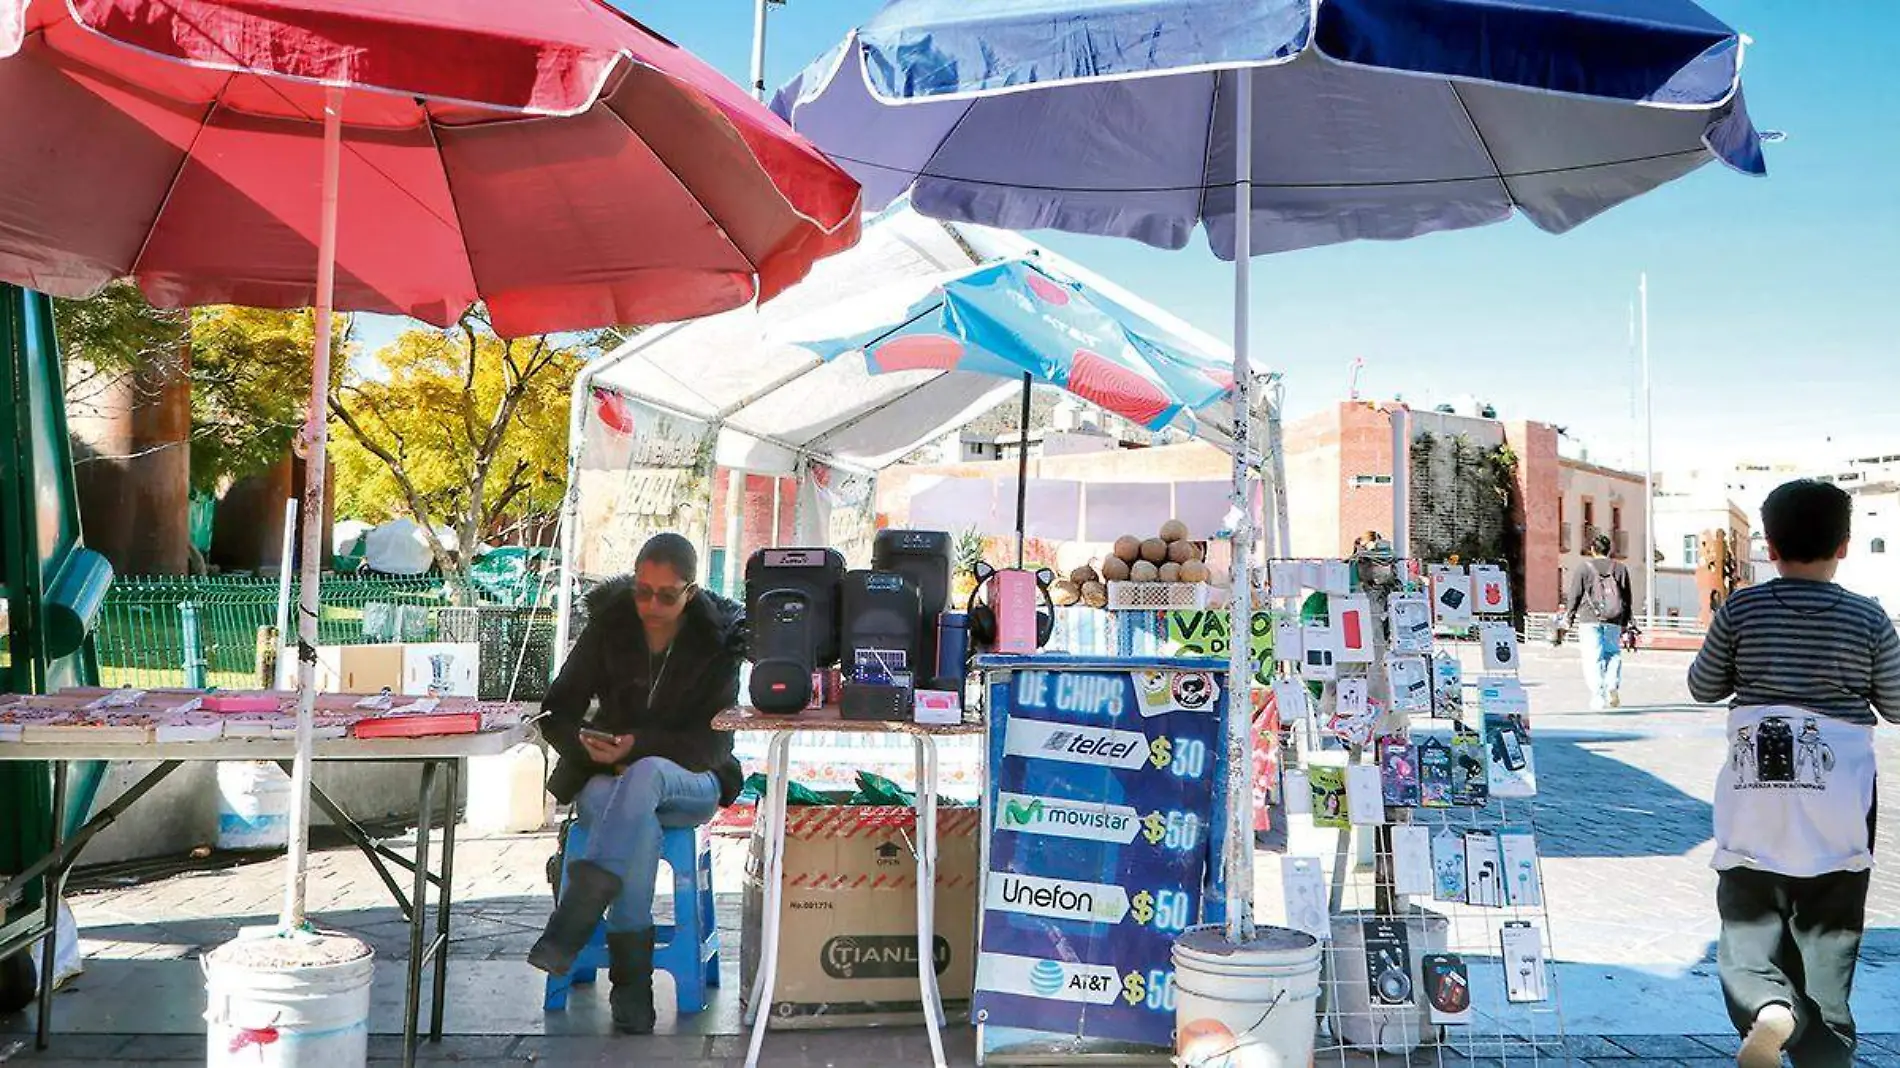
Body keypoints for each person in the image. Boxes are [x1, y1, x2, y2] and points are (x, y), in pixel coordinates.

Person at [1688, 480, 1900, 1068]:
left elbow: (1703, 687)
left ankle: (1766, 1006)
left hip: (1755, 792)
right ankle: (1824, 1041)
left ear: (1770, 547)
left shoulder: (1742, 607)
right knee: (1830, 930)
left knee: (1748, 916)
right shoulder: (1868, 617)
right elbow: (1898, 703)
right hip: (1839, 795)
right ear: (1845, 546)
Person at [528, 533, 745, 1034]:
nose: (651, 604)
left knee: (643, 777)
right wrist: (587, 743)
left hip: (694, 781)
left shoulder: (718, 640)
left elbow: (714, 743)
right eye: (642, 591)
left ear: (690, 593)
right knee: (628, 814)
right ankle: (632, 986)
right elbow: (556, 710)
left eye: (666, 595)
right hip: (613, 782)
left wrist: (636, 746)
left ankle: (573, 919)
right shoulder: (611, 625)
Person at [1565, 531, 1633, 709]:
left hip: (1589, 619)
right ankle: (1612, 685)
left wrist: (1569, 618)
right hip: (1614, 619)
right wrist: (1625, 622)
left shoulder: (1584, 568)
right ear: (1609, 550)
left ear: (1593, 549)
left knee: (1592, 657)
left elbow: (1575, 595)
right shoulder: (1620, 569)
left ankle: (1598, 696)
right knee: (1613, 653)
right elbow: (1627, 598)